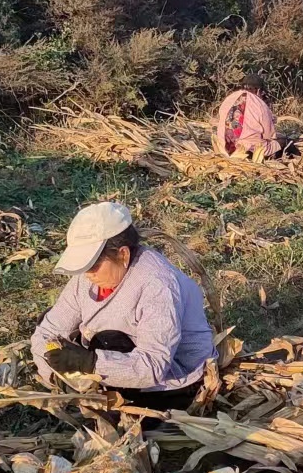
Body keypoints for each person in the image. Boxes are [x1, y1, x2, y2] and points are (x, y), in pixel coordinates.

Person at [31, 201, 217, 410]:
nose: (88, 275)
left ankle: (127, 407)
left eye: (94, 265)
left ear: (123, 254)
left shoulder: (157, 285)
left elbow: (154, 366)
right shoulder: (88, 278)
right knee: (51, 326)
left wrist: (89, 363)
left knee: (108, 339)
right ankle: (94, 391)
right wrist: (56, 377)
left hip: (172, 381)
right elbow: (48, 330)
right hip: (115, 358)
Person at [215, 87, 280, 160]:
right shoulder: (259, 103)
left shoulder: (229, 99)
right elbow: (269, 135)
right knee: (281, 143)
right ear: (259, 91)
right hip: (248, 150)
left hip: (223, 148)